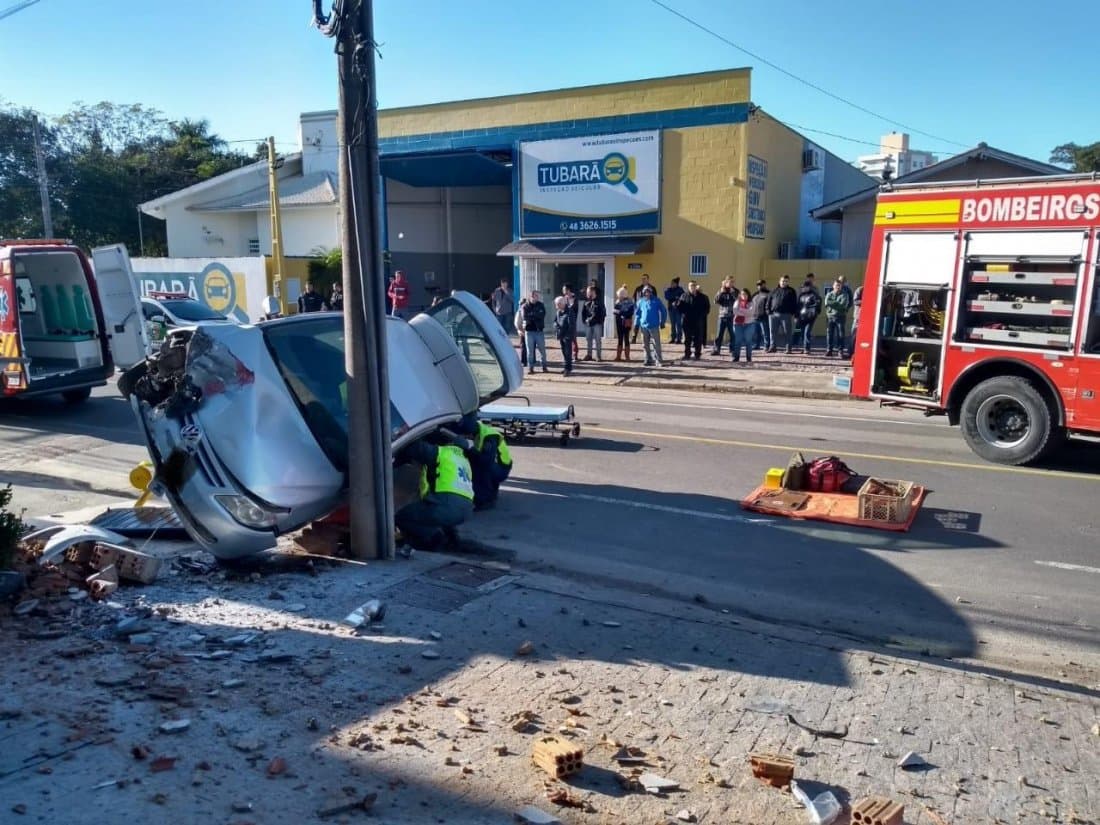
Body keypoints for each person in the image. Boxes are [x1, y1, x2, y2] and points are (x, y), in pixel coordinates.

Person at [394, 438, 474, 554]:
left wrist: (401, 436)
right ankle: (452, 541)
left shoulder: (444, 453)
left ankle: (432, 540)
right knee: (438, 514)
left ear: (450, 443)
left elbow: (416, 448)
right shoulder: (464, 462)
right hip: (466, 510)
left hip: (446, 506)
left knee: (402, 516)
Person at [455, 413, 512, 510]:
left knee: (479, 469)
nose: (467, 436)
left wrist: (469, 447)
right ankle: (491, 492)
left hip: (501, 469)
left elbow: (486, 461)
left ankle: (484, 500)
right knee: (475, 463)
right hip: (497, 465)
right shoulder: (477, 431)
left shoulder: (489, 437)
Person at [633, 285, 667, 367]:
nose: (647, 293)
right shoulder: (640, 302)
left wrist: (662, 322)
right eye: (645, 292)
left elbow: (663, 311)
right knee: (645, 344)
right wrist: (636, 325)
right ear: (643, 293)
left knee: (656, 344)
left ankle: (658, 360)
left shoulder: (656, 300)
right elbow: (637, 314)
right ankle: (648, 359)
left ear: (651, 292)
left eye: (648, 291)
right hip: (643, 326)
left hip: (654, 326)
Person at [677, 280, 711, 361]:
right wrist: (677, 305)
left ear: (696, 287)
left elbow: (707, 308)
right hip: (687, 321)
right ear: (688, 287)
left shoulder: (703, 297)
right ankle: (687, 354)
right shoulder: (683, 296)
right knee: (687, 339)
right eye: (691, 286)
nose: (692, 287)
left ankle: (697, 354)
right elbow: (680, 309)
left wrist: (701, 315)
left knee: (698, 339)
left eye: (694, 285)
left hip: (698, 321)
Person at [766, 274, 798, 353]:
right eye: (783, 281)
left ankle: (788, 348)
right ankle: (773, 347)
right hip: (773, 315)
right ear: (779, 281)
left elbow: (794, 303)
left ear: (788, 282)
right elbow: (768, 301)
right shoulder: (774, 290)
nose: (784, 282)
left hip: (786, 315)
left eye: (786, 281)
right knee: (772, 332)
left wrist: (793, 313)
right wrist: (768, 311)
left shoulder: (791, 291)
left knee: (787, 332)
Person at [522, 290, 549, 373]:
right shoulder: (525, 306)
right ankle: (531, 368)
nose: (536, 298)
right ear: (531, 297)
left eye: (537, 296)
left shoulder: (541, 305)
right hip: (529, 331)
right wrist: (535, 315)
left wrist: (532, 315)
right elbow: (525, 317)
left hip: (539, 331)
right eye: (535, 296)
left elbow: (542, 315)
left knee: (542, 350)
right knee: (530, 351)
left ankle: (544, 366)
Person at [824, 277, 852, 357]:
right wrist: (836, 304)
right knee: (829, 334)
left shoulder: (844, 294)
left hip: (840, 317)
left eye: (839, 285)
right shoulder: (829, 294)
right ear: (833, 286)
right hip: (830, 317)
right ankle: (829, 350)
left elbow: (842, 305)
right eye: (836, 285)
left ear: (841, 286)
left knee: (840, 334)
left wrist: (832, 304)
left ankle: (840, 351)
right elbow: (826, 303)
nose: (837, 287)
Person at [796, 275, 822, 354]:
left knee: (807, 332)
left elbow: (817, 304)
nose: (804, 288)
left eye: (806, 287)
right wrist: (796, 316)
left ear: (810, 287)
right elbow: (798, 306)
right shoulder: (801, 295)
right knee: (801, 331)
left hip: (810, 317)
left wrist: (814, 312)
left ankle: (807, 348)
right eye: (803, 287)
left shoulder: (814, 295)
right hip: (802, 317)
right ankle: (803, 347)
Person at [581, 286, 606, 361]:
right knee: (588, 340)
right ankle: (589, 355)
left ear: (593, 292)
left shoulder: (599, 302)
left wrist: (595, 320)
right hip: (588, 324)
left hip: (597, 324)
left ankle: (598, 356)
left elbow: (601, 313)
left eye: (588, 292)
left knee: (598, 340)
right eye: (587, 293)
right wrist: (585, 321)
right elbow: (583, 313)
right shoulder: (586, 302)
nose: (587, 294)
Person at [712, 278, 736, 355]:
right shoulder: (721, 291)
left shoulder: (735, 291)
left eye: (732, 282)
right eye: (729, 282)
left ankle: (732, 349)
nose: (730, 283)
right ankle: (716, 349)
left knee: (732, 334)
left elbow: (738, 301)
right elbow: (715, 301)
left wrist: (733, 293)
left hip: (732, 316)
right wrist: (721, 293)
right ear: (725, 283)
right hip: (722, 316)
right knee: (719, 334)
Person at [553, 295, 576, 376]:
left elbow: (572, 325)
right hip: (561, 335)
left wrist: (568, 335)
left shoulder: (570, 311)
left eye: (557, 304)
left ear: (562, 303)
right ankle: (567, 367)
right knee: (564, 352)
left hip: (567, 336)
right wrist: (556, 326)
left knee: (568, 353)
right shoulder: (558, 312)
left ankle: (567, 369)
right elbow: (555, 321)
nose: (556, 306)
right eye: (556, 304)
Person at [731, 287, 754, 364]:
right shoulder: (737, 302)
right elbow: (735, 311)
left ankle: (749, 357)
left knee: (748, 341)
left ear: (748, 295)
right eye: (742, 294)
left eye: (745, 294)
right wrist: (745, 312)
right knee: (738, 341)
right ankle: (736, 357)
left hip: (749, 324)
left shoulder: (751, 303)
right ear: (740, 295)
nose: (744, 295)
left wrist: (740, 310)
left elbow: (751, 313)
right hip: (738, 324)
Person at [612, 287, 635, 361]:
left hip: (626, 323)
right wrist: (620, 312)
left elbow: (630, 312)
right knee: (620, 339)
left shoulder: (630, 302)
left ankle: (627, 356)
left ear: (623, 295)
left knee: (626, 338)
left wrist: (621, 312)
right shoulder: (617, 302)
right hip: (619, 322)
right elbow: (614, 311)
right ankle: (618, 356)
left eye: (619, 295)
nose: (618, 297)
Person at [631, 274, 653, 344]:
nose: (643, 280)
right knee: (636, 323)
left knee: (648, 324)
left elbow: (654, 298)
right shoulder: (638, 288)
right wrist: (635, 306)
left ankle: (648, 339)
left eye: (645, 278)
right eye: (642, 279)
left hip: (648, 309)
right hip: (639, 309)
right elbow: (634, 298)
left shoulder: (652, 288)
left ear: (648, 279)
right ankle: (634, 338)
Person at [750, 279, 771, 351]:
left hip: (764, 317)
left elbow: (769, 305)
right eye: (758, 285)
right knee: (756, 332)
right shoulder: (755, 294)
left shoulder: (768, 294)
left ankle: (767, 346)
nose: (759, 286)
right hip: (755, 316)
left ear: (765, 284)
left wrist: (767, 313)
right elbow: (750, 304)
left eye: (761, 284)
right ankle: (756, 345)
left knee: (765, 332)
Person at [664, 277, 685, 344]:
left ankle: (679, 338)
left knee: (678, 324)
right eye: (671, 283)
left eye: (673, 283)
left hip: (678, 309)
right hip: (671, 309)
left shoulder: (680, 289)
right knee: (672, 324)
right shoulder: (668, 290)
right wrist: (676, 296)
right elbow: (667, 296)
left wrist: (675, 297)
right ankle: (673, 338)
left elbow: (683, 297)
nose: (671, 284)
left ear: (676, 284)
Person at [515, 298, 528, 367]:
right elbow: (517, 323)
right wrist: (520, 330)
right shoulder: (519, 311)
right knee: (523, 346)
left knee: (528, 346)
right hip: (522, 332)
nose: (521, 305)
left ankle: (530, 360)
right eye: (520, 304)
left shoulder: (526, 310)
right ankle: (524, 361)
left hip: (528, 331)